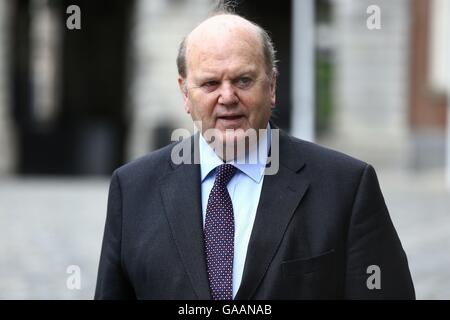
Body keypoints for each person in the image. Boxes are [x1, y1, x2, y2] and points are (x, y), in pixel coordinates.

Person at [95, 11, 415, 300]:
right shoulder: (133, 189)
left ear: (272, 87)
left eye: (243, 80)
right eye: (209, 83)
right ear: (185, 94)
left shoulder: (346, 188)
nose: (227, 96)